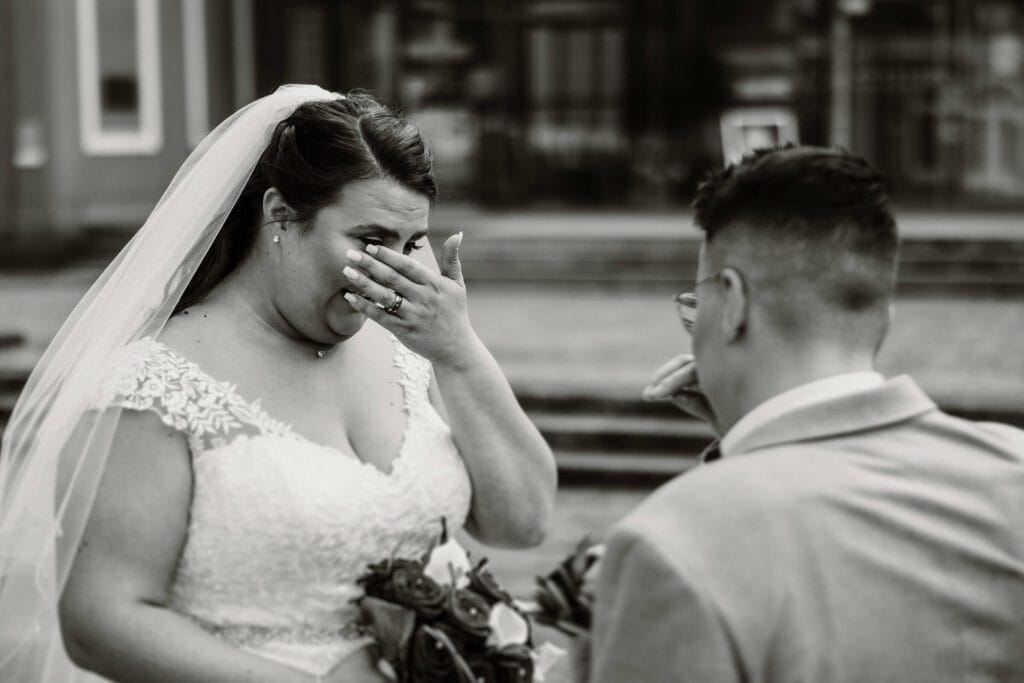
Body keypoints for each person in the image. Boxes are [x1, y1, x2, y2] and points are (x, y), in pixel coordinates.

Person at [0, 85, 557, 682]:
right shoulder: (155, 384)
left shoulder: (412, 350)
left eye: (410, 244)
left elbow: (520, 524)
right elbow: (100, 621)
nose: (393, 275)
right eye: (370, 241)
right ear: (280, 213)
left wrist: (461, 354)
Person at [590, 146, 1024, 682]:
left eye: (694, 303)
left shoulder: (674, 543)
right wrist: (747, 438)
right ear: (882, 314)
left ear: (731, 304)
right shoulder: (1012, 472)